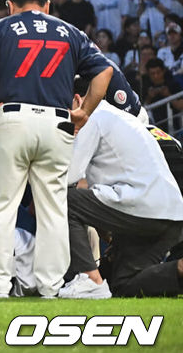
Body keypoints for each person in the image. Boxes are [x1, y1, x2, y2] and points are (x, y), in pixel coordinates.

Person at [0, 0, 113, 298]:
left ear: (10, 5)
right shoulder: (71, 32)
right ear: (46, 5)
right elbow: (105, 73)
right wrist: (84, 110)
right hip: (57, 123)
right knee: (54, 208)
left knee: (2, 207)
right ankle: (50, 286)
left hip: (13, 118)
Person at [60, 89, 183, 298]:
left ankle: (90, 279)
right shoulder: (123, 118)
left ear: (77, 99)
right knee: (124, 285)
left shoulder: (92, 117)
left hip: (143, 208)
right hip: (170, 215)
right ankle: (179, 268)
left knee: (63, 200)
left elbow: (68, 178)